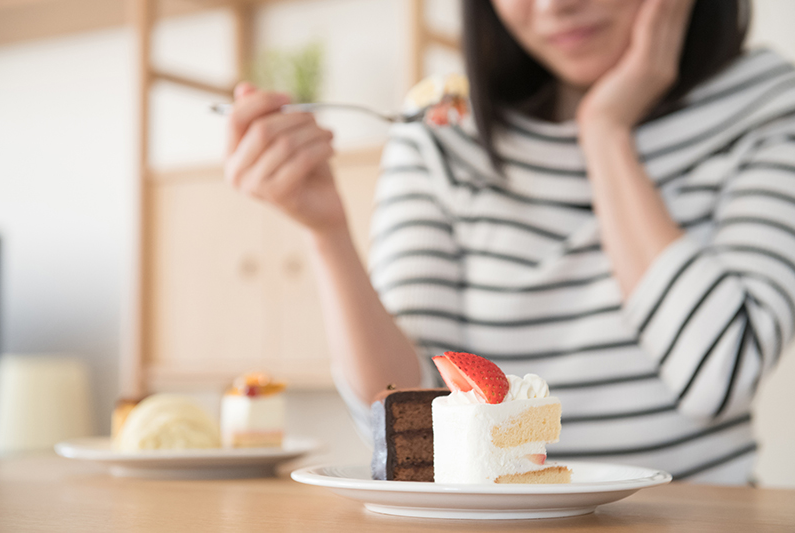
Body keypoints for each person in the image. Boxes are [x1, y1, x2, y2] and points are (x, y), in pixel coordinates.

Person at [223, 0, 795, 484]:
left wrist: (606, 133)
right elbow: (410, 421)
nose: (553, 6)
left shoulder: (768, 107)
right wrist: (327, 234)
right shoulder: (444, 130)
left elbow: (719, 375)